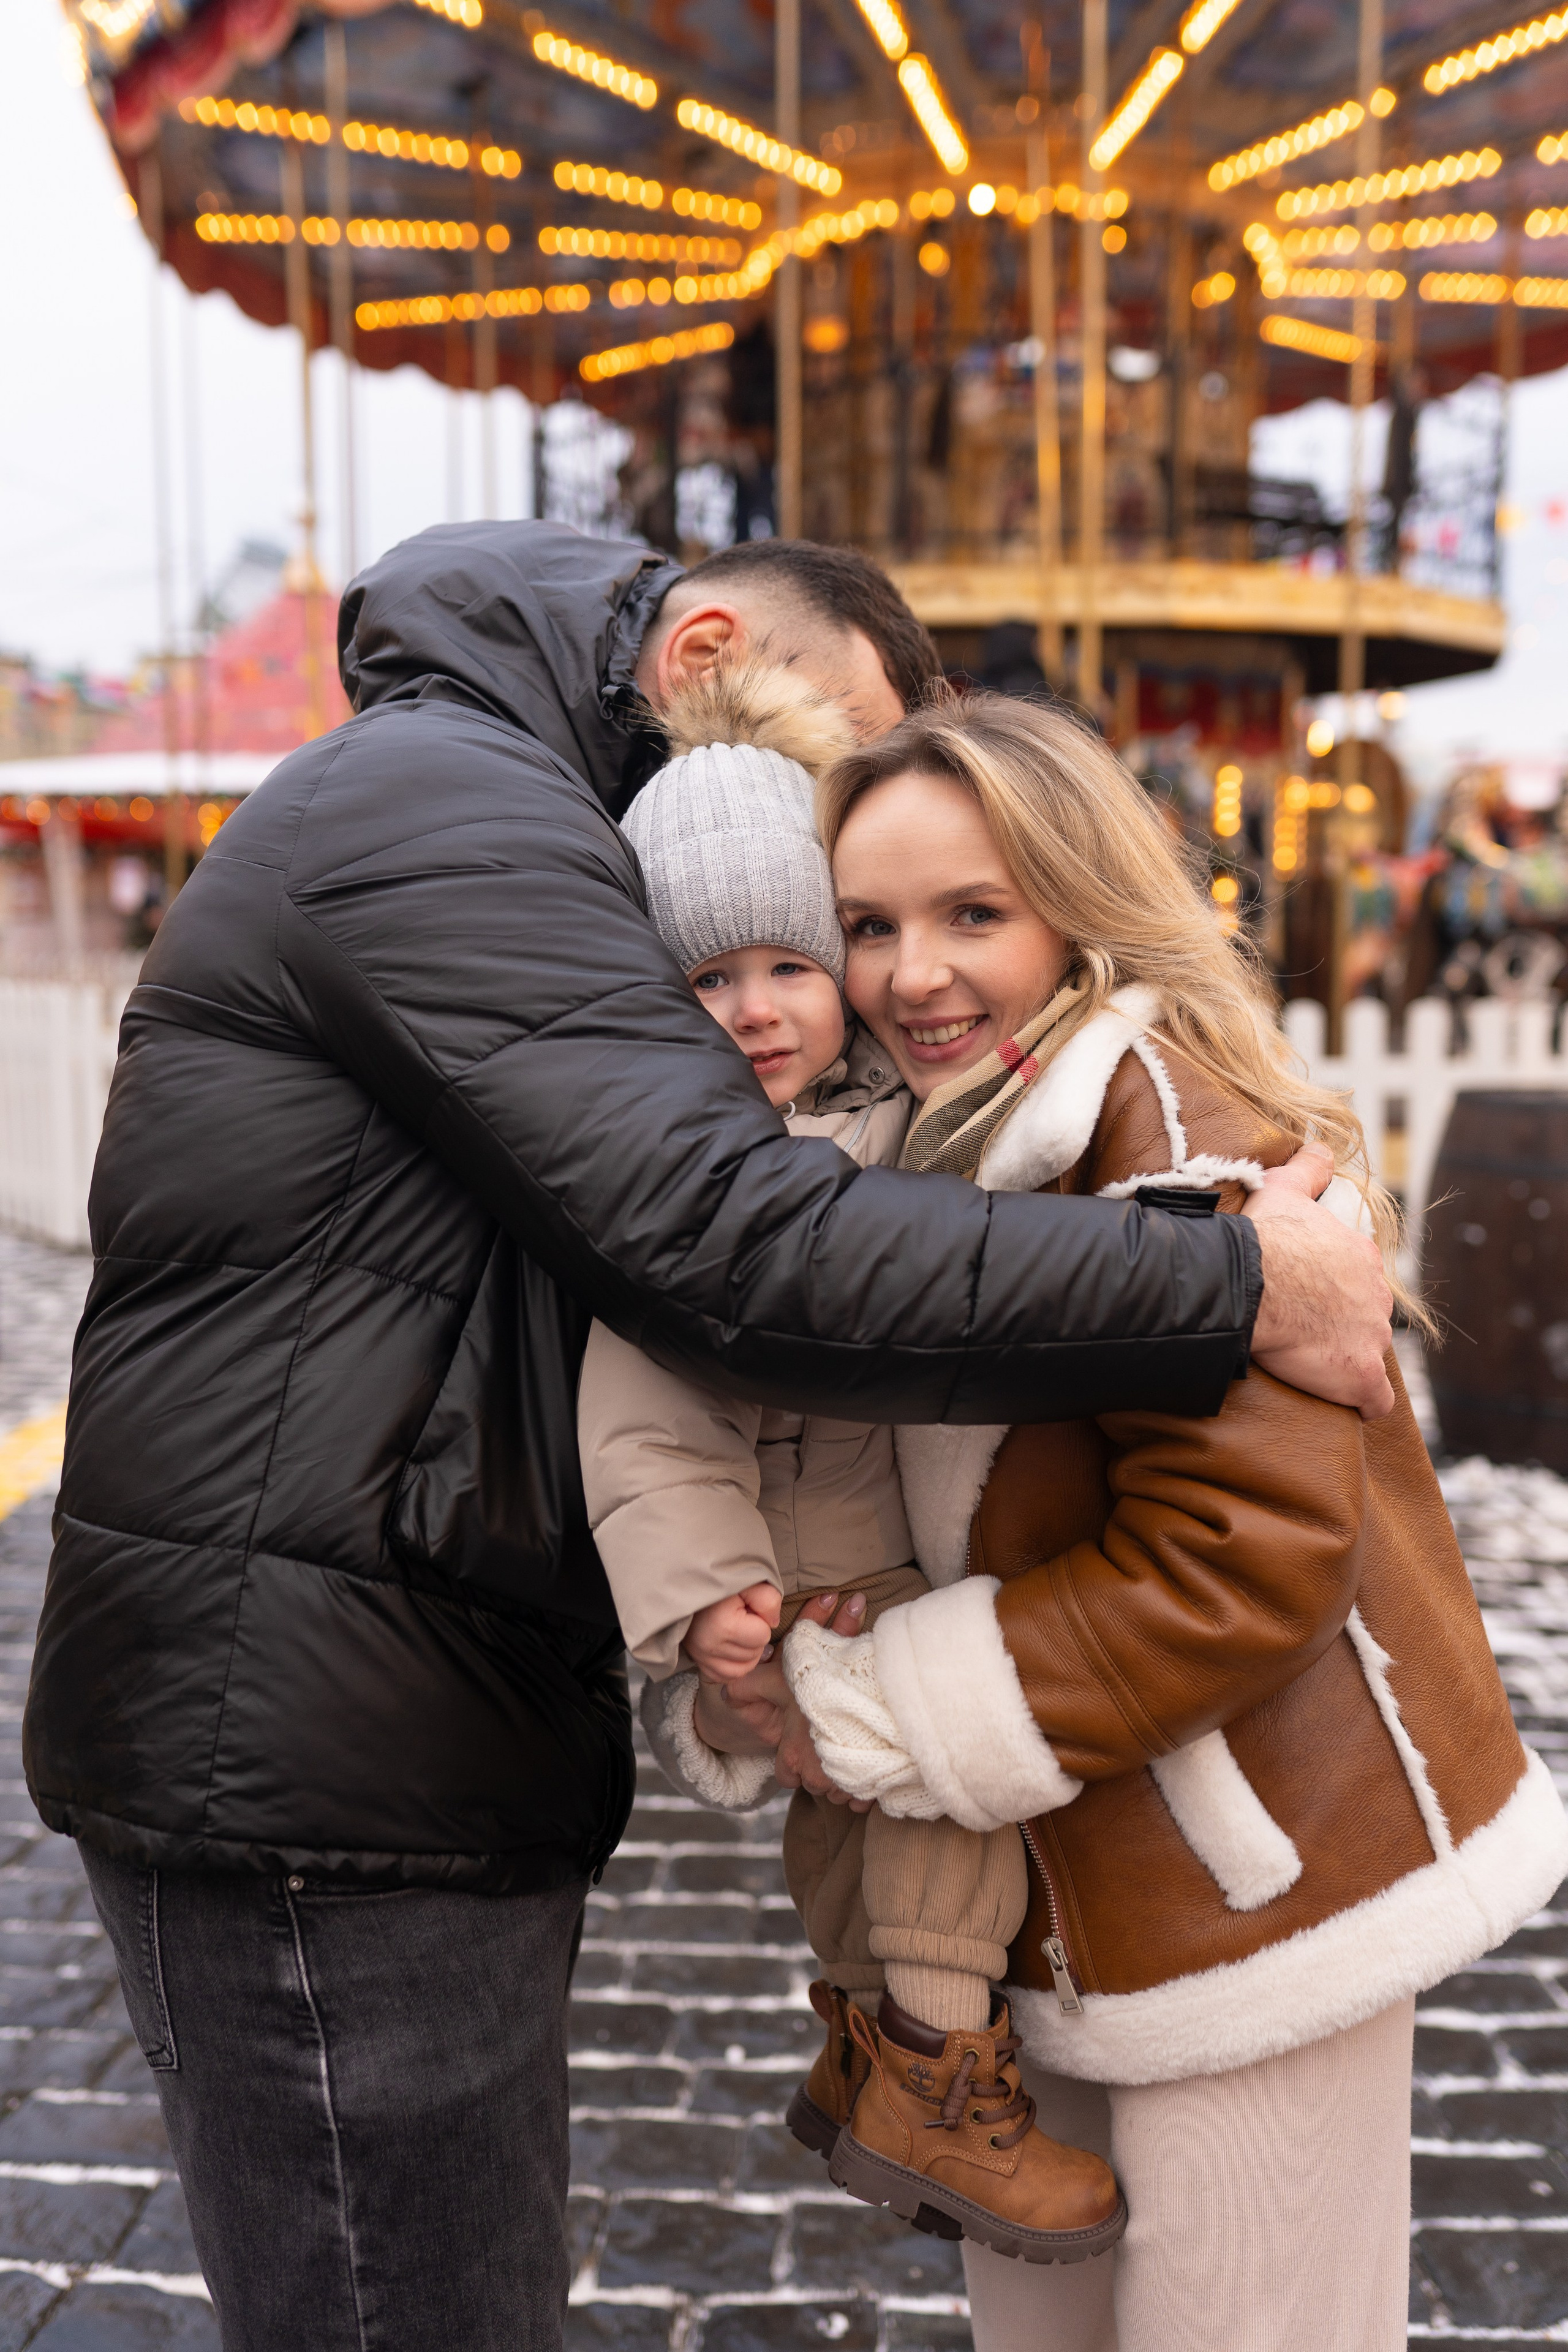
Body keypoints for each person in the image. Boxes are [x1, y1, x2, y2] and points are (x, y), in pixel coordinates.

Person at [22, 523, 1393, 2352]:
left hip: (379, 1692)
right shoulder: (446, 811)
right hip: (318, 1726)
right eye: (841, 747)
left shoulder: (502, 820)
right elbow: (733, 1246)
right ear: (714, 648)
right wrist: (1231, 1282)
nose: (847, 835)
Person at [689, 689, 1565, 2352]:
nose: (910, 974)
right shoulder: (918, 1150)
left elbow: (1244, 1553)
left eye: (972, 914)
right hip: (1066, 1896)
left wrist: (878, 1708)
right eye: (867, 926)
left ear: (1076, 903)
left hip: (1253, 1901)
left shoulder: (1159, 1132)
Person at [578, 655, 1123, 2264]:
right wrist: (703, 1597)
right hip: (825, 1569)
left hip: (855, 1536)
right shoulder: (691, 1178)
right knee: (948, 1786)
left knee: (843, 1816)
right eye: (704, 982)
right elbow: (642, 1412)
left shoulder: (890, 1114)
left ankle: (861, 2033)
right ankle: (940, 2068)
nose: (755, 1011)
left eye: (789, 965)